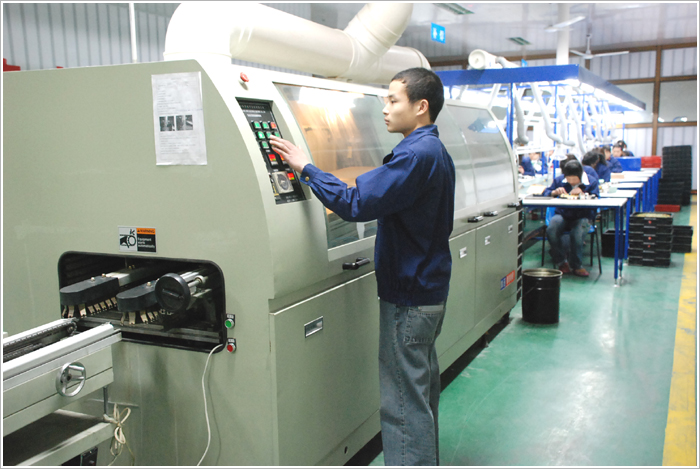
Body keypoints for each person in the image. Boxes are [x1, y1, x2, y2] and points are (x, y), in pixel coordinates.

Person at [270, 68, 455, 466]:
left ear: (420, 107)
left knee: (403, 404)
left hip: (408, 297)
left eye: (393, 100)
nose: (385, 108)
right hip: (429, 290)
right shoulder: (435, 150)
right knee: (420, 392)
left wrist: (306, 168)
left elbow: (355, 203)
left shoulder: (415, 155)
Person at [543, 158, 600, 277]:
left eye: (574, 180)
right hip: (563, 215)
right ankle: (561, 262)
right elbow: (546, 192)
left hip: (583, 216)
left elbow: (596, 201)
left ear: (580, 176)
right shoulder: (559, 180)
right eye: (569, 180)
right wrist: (554, 192)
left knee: (577, 234)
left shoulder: (591, 182)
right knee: (551, 229)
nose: (571, 183)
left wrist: (584, 194)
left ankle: (576, 265)